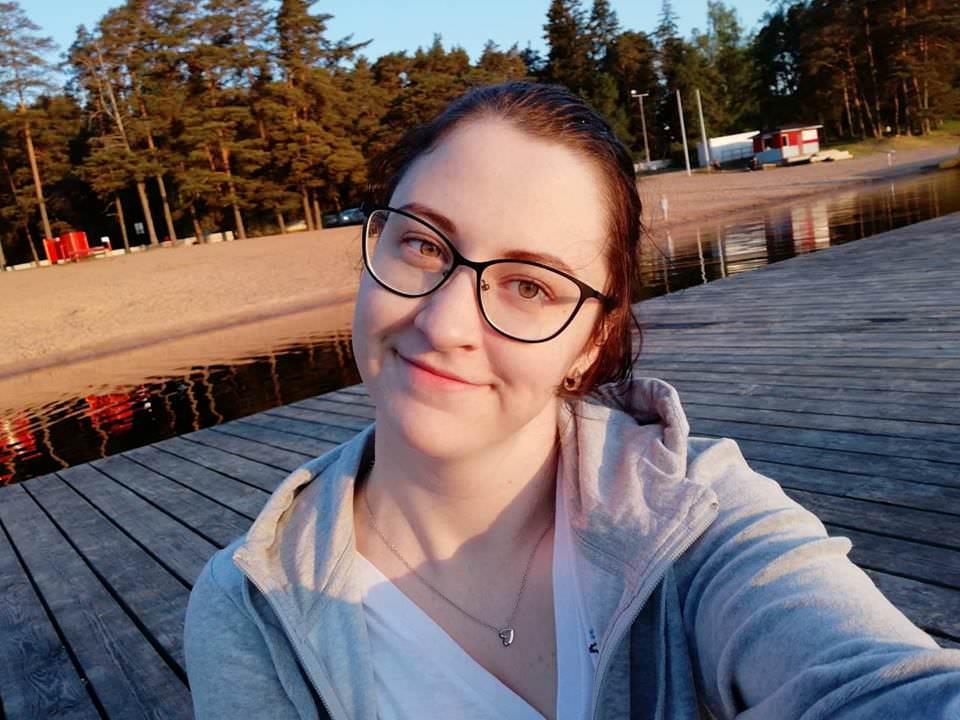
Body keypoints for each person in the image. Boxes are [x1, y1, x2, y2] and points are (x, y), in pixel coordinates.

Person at [183, 82, 960, 720]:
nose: (445, 323)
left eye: (529, 286)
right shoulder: (254, 607)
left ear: (590, 343)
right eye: (422, 244)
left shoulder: (697, 514)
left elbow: (874, 684)